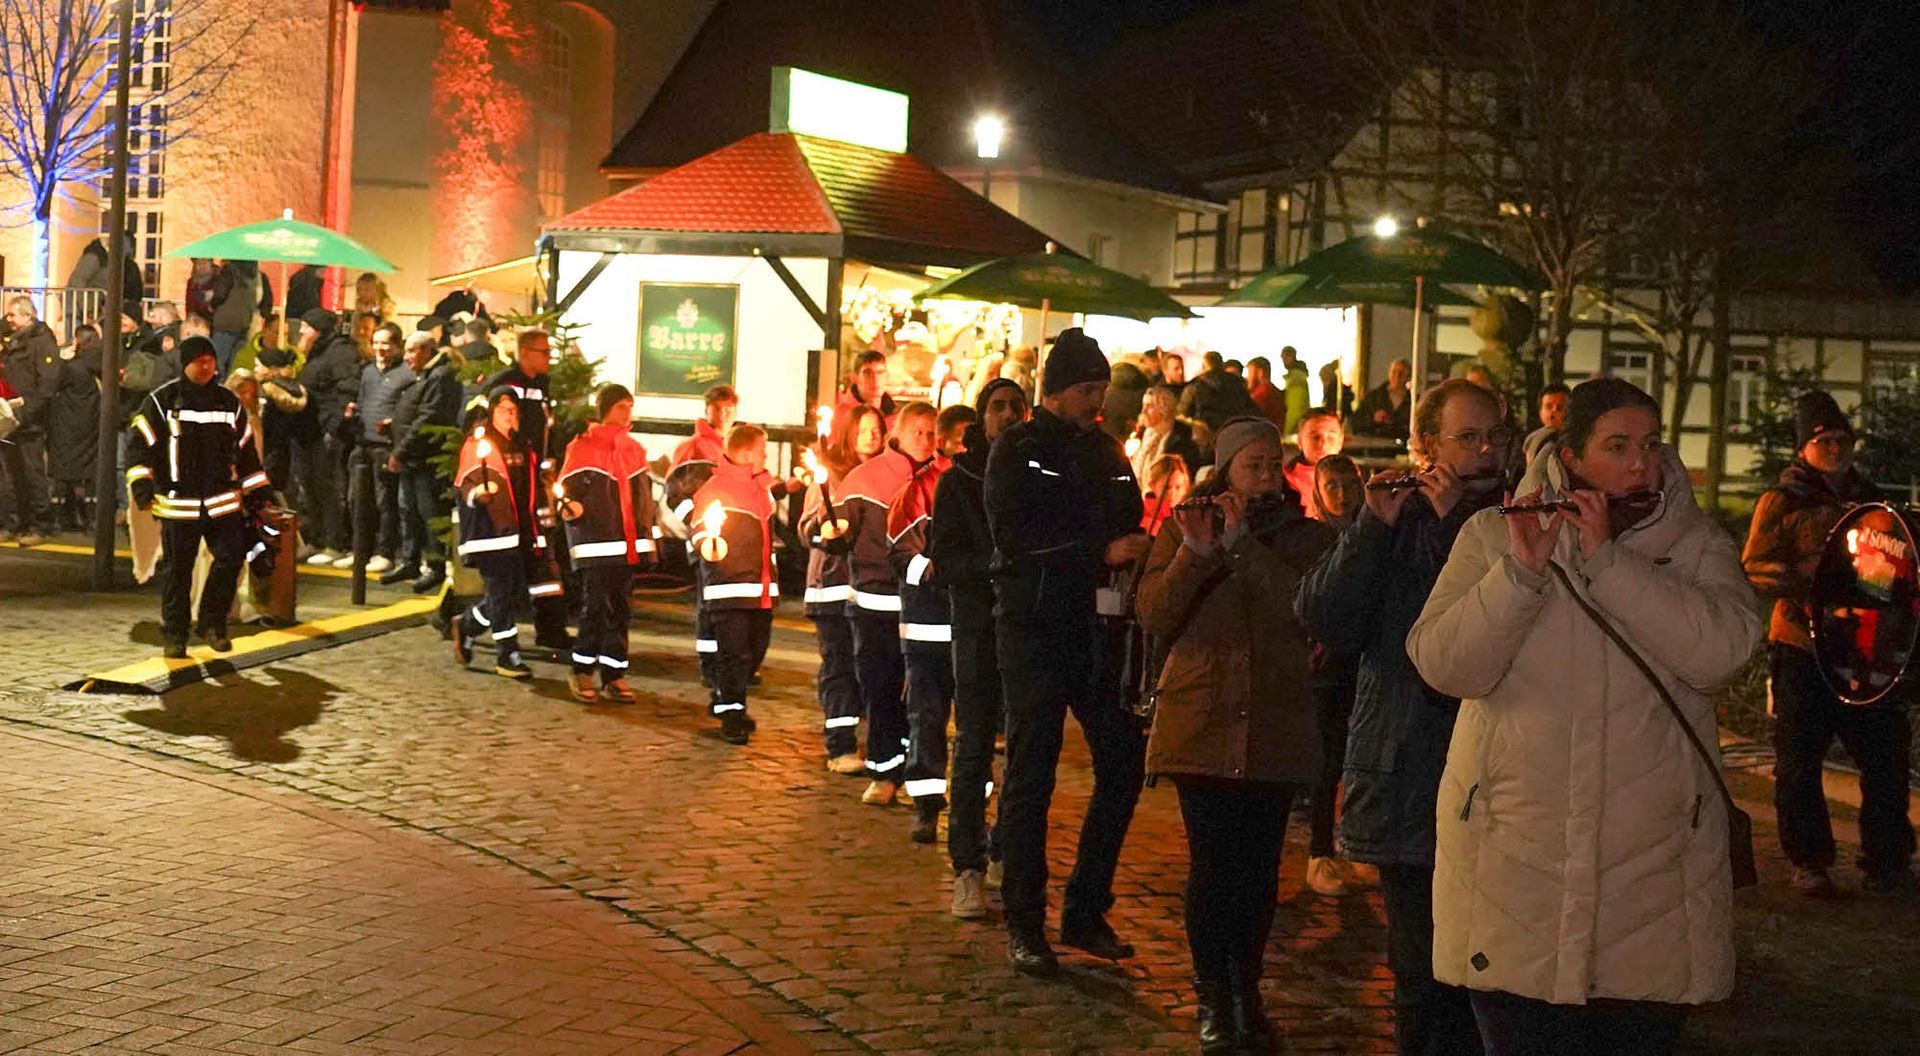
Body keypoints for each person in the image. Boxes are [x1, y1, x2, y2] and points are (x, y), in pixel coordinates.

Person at [1408, 378, 1759, 1055]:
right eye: (1617, 446)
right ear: (1571, 456)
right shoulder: (1494, 533)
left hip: (1652, 872)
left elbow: (1723, 653)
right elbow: (1445, 665)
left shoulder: (1695, 544)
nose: (1640, 462)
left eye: (1650, 444)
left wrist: (1609, 564)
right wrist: (1519, 575)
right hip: (1518, 861)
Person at [1295, 378, 1510, 1056]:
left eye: (1494, 436)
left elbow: (1489, 623)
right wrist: (1371, 527)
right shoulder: (1397, 519)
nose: (1485, 450)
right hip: (1410, 766)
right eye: (1467, 437)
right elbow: (1324, 616)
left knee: (1489, 971)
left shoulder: (1520, 519)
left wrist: (1455, 526)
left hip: (1496, 776)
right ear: (1426, 445)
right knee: (1419, 966)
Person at [1138, 417, 1338, 1056]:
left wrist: (1242, 546)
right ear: (1225, 470)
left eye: (1273, 463)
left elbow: (1304, 606)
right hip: (1203, 717)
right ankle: (1212, 997)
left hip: (1274, 722)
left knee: (1257, 872)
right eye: (1253, 464)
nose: (1266, 474)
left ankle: (1246, 992)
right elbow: (1154, 613)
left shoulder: (1305, 536)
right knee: (1211, 867)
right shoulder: (1183, 528)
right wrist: (1197, 552)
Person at [985, 327, 1148, 976]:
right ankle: (1025, 921)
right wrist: (1097, 551)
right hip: (1033, 628)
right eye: (1087, 389)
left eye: (1101, 389)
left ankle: (1085, 906)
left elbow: (1129, 512)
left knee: (1123, 762)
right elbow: (1015, 537)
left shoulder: (1106, 449)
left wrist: (1133, 551)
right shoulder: (1018, 449)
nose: (1097, 402)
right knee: (1033, 773)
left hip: (1095, 632)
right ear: (1056, 390)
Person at [1743, 390, 1916, 896]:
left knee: (1885, 759)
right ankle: (1810, 861)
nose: (1834, 449)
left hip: (1866, 648)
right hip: (1802, 645)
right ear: (1803, 448)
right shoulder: (1783, 501)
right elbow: (1755, 567)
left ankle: (1887, 861)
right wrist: (1816, 583)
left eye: (1841, 440)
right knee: (1799, 761)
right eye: (1823, 441)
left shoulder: (1873, 502)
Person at [928, 378, 1029, 919]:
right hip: (976, 628)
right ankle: (966, 865)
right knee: (973, 747)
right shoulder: (958, 480)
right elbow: (944, 559)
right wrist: (993, 567)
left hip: (1027, 629)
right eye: (998, 406)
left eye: (1016, 406)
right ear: (982, 417)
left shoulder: (1038, 473)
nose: (1007, 415)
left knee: (1025, 749)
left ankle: (1004, 850)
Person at [125, 337, 272, 657]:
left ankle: (212, 623)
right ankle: (175, 635)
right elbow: (138, 447)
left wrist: (259, 489)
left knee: (231, 559)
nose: (206, 366)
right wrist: (142, 486)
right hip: (179, 506)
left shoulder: (229, 402)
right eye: (199, 361)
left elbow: (246, 451)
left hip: (222, 503)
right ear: (185, 364)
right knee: (178, 573)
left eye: (210, 360)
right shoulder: (161, 401)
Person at [835, 402, 941, 805]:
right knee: (881, 690)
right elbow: (834, 533)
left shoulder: (942, 479)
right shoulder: (865, 478)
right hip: (875, 605)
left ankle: (917, 773)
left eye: (932, 433)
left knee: (923, 697)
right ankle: (883, 772)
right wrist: (828, 532)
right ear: (899, 433)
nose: (926, 441)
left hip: (925, 608)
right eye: (918, 432)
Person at [887, 405, 966, 843]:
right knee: (928, 717)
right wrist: (940, 574)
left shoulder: (995, 487)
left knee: (975, 726)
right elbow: (901, 553)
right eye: (962, 438)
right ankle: (926, 805)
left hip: (975, 627)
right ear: (944, 441)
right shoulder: (920, 489)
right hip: (930, 627)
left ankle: (972, 810)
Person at [556, 385, 657, 706]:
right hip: (596, 544)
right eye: (621, 406)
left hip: (626, 547)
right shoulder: (583, 447)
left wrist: (648, 539)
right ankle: (582, 669)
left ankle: (614, 674)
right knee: (596, 609)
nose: (628, 413)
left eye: (630, 407)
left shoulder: (634, 450)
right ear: (606, 409)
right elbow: (566, 493)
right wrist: (570, 507)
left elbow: (644, 500)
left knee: (621, 611)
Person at [801, 403, 885, 774]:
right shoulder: (831, 476)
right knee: (839, 667)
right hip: (833, 586)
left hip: (870, 591)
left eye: (877, 429)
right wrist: (825, 531)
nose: (871, 437)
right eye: (863, 429)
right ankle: (840, 747)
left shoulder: (884, 476)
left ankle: (878, 745)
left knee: (871, 668)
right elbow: (807, 526)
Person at [689, 424, 780, 744]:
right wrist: (707, 543)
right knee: (734, 655)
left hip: (760, 588)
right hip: (729, 588)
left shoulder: (759, 488)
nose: (766, 457)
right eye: (762, 451)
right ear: (745, 453)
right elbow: (700, 532)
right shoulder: (715, 489)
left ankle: (726, 700)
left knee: (754, 652)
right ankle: (732, 715)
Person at [1305, 452, 1365, 898]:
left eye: (1349, 485)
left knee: (1359, 756)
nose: (1342, 495)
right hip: (1328, 664)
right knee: (1326, 760)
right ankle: (1319, 850)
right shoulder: (1315, 539)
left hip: (1362, 659)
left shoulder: (1372, 534)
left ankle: (1356, 844)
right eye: (1332, 486)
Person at [485, 329, 568, 651]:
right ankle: (458, 614)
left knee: (543, 554)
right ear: (524, 353)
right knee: (506, 560)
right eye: (543, 352)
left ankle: (550, 628)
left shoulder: (542, 386)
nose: (549, 358)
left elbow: (547, 430)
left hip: (537, 482)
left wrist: (551, 461)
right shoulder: (505, 385)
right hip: (514, 483)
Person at [449, 392, 541, 680]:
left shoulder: (521, 445)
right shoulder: (479, 444)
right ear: (491, 412)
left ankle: (467, 625)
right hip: (489, 531)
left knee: (509, 593)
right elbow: (465, 483)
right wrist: (478, 494)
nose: (509, 414)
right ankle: (507, 654)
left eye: (513, 409)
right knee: (501, 591)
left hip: (517, 531)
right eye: (503, 409)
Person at [669, 385, 741, 680]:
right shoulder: (693, 448)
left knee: (729, 603)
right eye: (718, 408)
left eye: (729, 409)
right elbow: (674, 494)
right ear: (707, 409)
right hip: (707, 538)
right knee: (709, 602)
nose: (723, 414)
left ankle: (730, 661)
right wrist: (695, 522)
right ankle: (710, 664)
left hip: (734, 539)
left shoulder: (733, 445)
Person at [387, 331, 463, 593]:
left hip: (427, 458)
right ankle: (410, 561)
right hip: (414, 457)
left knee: (430, 513)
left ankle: (435, 566)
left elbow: (428, 418)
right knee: (409, 510)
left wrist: (400, 451)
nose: (406, 357)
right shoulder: (428, 375)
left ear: (426, 351)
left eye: (411, 351)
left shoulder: (440, 376)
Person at [297, 309, 361, 566]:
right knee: (310, 485)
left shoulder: (339, 352)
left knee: (328, 487)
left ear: (318, 330)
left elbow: (346, 390)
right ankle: (317, 538)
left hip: (327, 431)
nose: (301, 332)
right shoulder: (314, 352)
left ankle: (335, 542)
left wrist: (333, 427)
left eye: (306, 327)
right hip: (308, 430)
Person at [349, 323, 414, 575]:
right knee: (357, 500)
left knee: (385, 502)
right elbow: (363, 399)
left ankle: (385, 552)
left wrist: (394, 424)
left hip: (385, 446)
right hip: (362, 443)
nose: (379, 348)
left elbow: (408, 410)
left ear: (397, 345)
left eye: (385, 343)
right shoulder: (368, 372)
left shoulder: (406, 374)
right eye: (375, 342)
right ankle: (360, 550)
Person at [1, 295, 61, 545]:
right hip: (10, 417)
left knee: (32, 473)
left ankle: (40, 524)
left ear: (27, 316)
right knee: (10, 475)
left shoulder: (41, 342)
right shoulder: (15, 340)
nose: (8, 319)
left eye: (13, 315)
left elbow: (47, 385)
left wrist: (26, 414)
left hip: (29, 419)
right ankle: (15, 522)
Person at [47, 324, 104, 531]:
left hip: (67, 424)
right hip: (91, 426)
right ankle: (90, 518)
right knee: (88, 474)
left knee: (63, 472)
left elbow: (53, 384)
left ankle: (62, 517)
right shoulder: (102, 364)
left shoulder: (72, 367)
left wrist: (62, 359)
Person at [255, 347, 313, 507]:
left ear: (270, 369)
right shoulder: (296, 390)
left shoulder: (267, 394)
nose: (255, 370)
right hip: (292, 452)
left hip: (273, 453)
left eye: (258, 365)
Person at [1283, 409, 1346, 520]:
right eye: (1315, 437)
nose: (1323, 444)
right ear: (1300, 441)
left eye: (1331, 437)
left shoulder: (1352, 478)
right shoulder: (1286, 481)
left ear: (1340, 441)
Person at [1131, 386, 1203, 481]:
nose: (1143, 411)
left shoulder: (1184, 438)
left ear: (1163, 409)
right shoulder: (1143, 435)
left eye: (1149, 406)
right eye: (1143, 406)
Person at [1178, 351, 1259, 435]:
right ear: (1222, 365)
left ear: (1204, 366)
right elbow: (1252, 410)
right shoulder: (1237, 383)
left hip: (1206, 435)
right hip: (1235, 433)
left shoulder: (1195, 386)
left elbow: (1181, 415)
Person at [208, 259, 264, 376]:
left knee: (218, 364)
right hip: (244, 324)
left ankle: (216, 386)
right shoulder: (255, 275)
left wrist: (212, 305)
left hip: (225, 323)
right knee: (234, 366)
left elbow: (220, 294)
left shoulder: (229, 272)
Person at [834, 349, 899, 436]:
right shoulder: (843, 415)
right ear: (854, 377)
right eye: (867, 373)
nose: (875, 379)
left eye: (880, 372)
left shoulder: (896, 417)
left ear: (886, 377)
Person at [1354, 358, 1413, 442]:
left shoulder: (1412, 401)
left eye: (1401, 373)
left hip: (1401, 446)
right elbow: (1356, 422)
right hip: (1375, 445)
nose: (1396, 376)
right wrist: (1374, 419)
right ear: (1389, 373)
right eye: (1394, 372)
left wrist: (1398, 423)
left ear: (1408, 377)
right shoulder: (1373, 397)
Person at [1522, 382, 1571, 462]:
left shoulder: (1574, 438)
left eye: (1560, 407)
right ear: (1540, 411)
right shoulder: (1532, 438)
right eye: (1548, 406)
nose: (1554, 411)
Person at [1279, 346, 1312, 433]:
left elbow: (1295, 408)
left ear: (1291, 357)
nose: (1283, 361)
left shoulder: (1296, 378)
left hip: (1295, 427)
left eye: (1285, 357)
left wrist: (1287, 431)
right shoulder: (1297, 376)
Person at [1245, 356, 1287, 426]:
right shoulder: (1275, 392)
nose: (1247, 378)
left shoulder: (1260, 394)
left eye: (1249, 373)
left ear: (1260, 372)